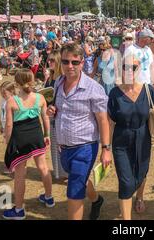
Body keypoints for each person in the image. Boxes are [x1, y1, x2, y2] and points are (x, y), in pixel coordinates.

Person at [47, 43, 111, 220]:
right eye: (66, 62)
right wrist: (52, 111)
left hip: (84, 147)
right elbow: (57, 108)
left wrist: (106, 149)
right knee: (79, 180)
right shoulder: (58, 83)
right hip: (63, 147)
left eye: (74, 62)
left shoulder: (93, 88)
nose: (69, 66)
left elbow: (103, 120)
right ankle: (96, 200)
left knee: (74, 192)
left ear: (82, 63)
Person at [107, 55, 154, 220]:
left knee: (141, 172)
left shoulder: (148, 90)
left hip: (143, 138)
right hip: (121, 140)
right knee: (126, 182)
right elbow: (110, 123)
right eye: (124, 67)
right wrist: (106, 148)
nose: (128, 70)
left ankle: (139, 196)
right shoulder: (114, 93)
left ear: (139, 68)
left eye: (132, 67)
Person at [3, 69, 53, 220]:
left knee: (20, 173)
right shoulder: (40, 98)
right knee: (43, 167)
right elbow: (45, 118)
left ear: (16, 83)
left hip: (20, 139)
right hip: (37, 136)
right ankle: (49, 197)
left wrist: (8, 140)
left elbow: (9, 126)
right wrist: (46, 135)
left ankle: (19, 210)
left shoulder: (11, 101)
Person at [44, 50, 68, 181]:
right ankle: (59, 173)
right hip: (51, 115)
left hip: (62, 116)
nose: (49, 62)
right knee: (54, 146)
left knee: (63, 145)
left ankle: (67, 172)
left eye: (52, 60)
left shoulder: (63, 79)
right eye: (48, 60)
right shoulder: (49, 77)